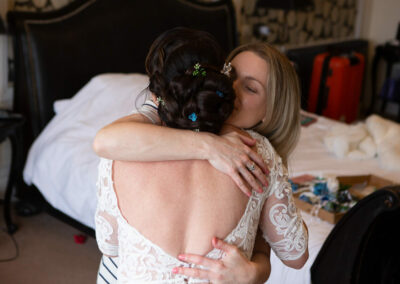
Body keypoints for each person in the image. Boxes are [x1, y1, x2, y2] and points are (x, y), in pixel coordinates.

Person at [94, 28, 308, 283]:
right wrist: (208, 144)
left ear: (271, 111)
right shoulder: (130, 141)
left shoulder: (123, 151)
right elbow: (296, 254)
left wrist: (257, 269)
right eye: (229, 74)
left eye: (251, 88)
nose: (232, 88)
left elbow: (110, 246)